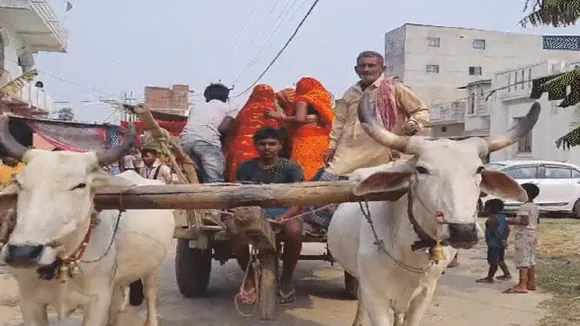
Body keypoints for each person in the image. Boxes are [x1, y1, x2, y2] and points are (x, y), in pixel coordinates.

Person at [325, 50, 430, 177]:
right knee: (330, 178)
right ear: (356, 69)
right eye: (362, 66)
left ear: (382, 68)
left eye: (371, 65)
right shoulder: (350, 92)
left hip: (381, 152)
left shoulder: (394, 88)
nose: (366, 69)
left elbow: (421, 110)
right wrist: (332, 146)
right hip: (347, 152)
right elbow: (339, 122)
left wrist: (413, 123)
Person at [233, 127, 304, 305]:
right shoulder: (246, 167)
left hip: (285, 212)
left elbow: (299, 199)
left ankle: (287, 278)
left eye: (272, 144)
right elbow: (239, 196)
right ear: (256, 146)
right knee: (233, 230)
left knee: (294, 230)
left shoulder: (291, 167)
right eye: (262, 144)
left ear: (280, 146)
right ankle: (249, 278)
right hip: (254, 212)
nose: (267, 147)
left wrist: (286, 216)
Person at [266, 77, 334, 181]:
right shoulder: (322, 100)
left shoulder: (302, 99)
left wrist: (278, 116)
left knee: (303, 167)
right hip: (322, 140)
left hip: (305, 140)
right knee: (319, 166)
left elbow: (300, 118)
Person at [180, 83, 238, 183]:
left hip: (185, 142)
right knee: (214, 180)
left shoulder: (195, 107)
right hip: (207, 142)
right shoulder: (230, 108)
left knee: (193, 178)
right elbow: (223, 128)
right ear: (226, 97)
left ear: (206, 96)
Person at [223, 84, 280, 182]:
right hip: (257, 148)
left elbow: (233, 130)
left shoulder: (244, 110)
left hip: (237, 148)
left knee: (237, 180)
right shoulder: (269, 108)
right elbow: (273, 130)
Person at [504, 183, 540, 294]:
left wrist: (509, 221)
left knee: (522, 260)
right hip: (532, 234)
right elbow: (536, 221)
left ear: (526, 194)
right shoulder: (535, 206)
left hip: (523, 235)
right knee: (531, 260)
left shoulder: (524, 207)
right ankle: (531, 283)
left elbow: (524, 221)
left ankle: (522, 285)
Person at [476, 199, 512, 284]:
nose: (484, 209)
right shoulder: (503, 217)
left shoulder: (492, 219)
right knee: (500, 260)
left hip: (493, 244)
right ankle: (507, 274)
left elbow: (496, 232)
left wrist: (502, 239)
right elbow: (507, 230)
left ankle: (489, 278)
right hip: (500, 244)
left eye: (486, 207)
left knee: (493, 262)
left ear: (490, 208)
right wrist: (504, 239)